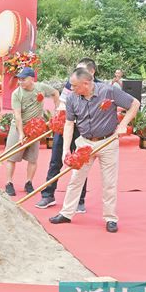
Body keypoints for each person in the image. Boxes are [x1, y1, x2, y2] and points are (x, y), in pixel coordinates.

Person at [49, 68, 139, 233]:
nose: (71, 88)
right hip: (84, 143)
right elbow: (69, 124)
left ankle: (110, 218)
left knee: (109, 182)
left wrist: (123, 124)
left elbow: (135, 104)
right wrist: (66, 149)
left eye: (75, 85)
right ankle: (66, 213)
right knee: (76, 179)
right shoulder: (72, 98)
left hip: (108, 142)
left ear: (86, 83)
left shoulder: (108, 91)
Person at [36, 58, 100, 211]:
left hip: (83, 131)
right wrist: (59, 119)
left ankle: (79, 200)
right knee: (55, 161)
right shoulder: (71, 84)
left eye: (81, 70)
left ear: (91, 72)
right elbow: (62, 103)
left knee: (81, 164)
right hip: (66, 126)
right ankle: (48, 195)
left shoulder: (99, 87)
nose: (77, 74)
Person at [4, 67, 59, 196]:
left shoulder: (41, 88)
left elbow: (55, 92)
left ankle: (29, 182)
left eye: (23, 79)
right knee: (11, 157)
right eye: (19, 79)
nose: (20, 82)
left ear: (31, 79)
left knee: (33, 159)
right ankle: (9, 183)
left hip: (36, 128)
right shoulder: (16, 94)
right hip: (19, 127)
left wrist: (57, 110)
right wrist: (21, 134)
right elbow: (17, 115)